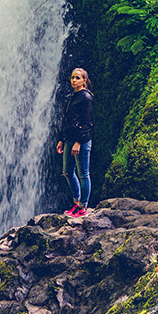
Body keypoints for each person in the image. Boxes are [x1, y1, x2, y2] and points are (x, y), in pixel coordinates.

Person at [56, 67, 93, 218]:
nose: (74, 80)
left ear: (84, 80)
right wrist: (61, 139)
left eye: (77, 78)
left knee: (83, 174)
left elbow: (88, 122)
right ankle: (76, 203)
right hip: (68, 139)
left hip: (81, 141)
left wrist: (79, 141)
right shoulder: (72, 97)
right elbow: (66, 120)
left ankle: (83, 207)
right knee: (67, 172)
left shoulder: (86, 98)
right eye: (72, 78)